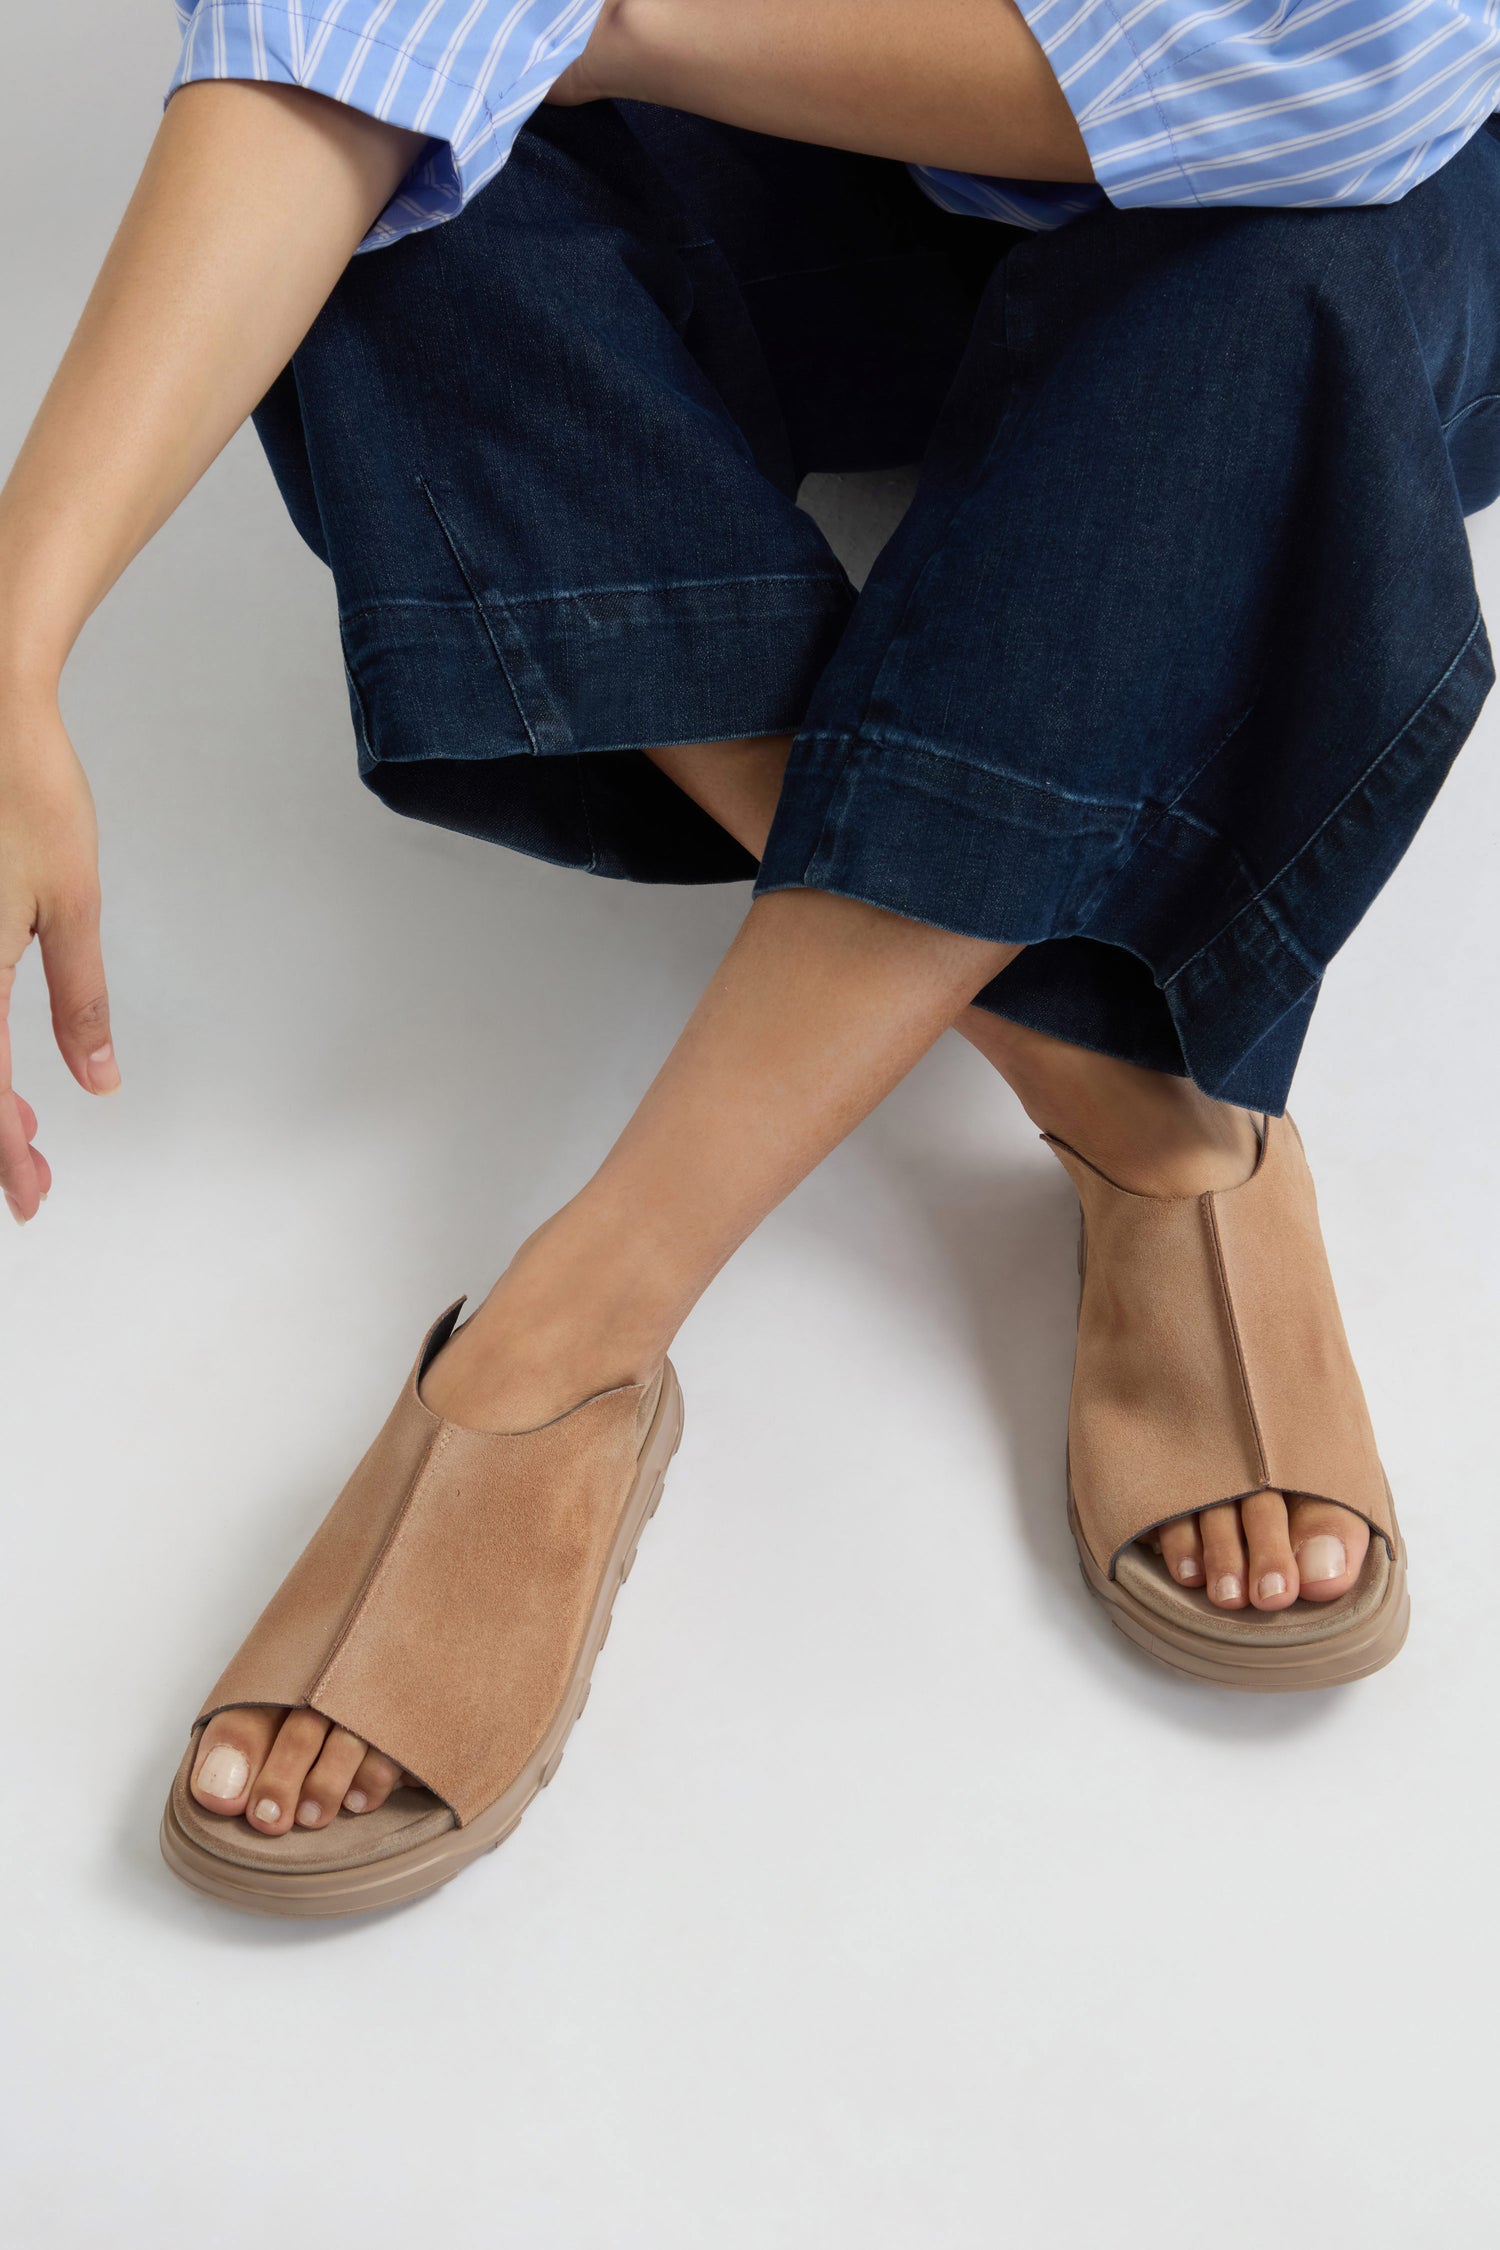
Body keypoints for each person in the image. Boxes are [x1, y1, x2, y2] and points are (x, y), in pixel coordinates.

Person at [3, 2, 1497, 1914]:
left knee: (1298, 265)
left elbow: (1342, 83)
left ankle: (568, 1332)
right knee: (393, 222)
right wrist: (14, 648)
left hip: (1354, 215)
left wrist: (606, 24)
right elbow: (332, 36)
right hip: (846, 174)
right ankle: (1128, 1089)